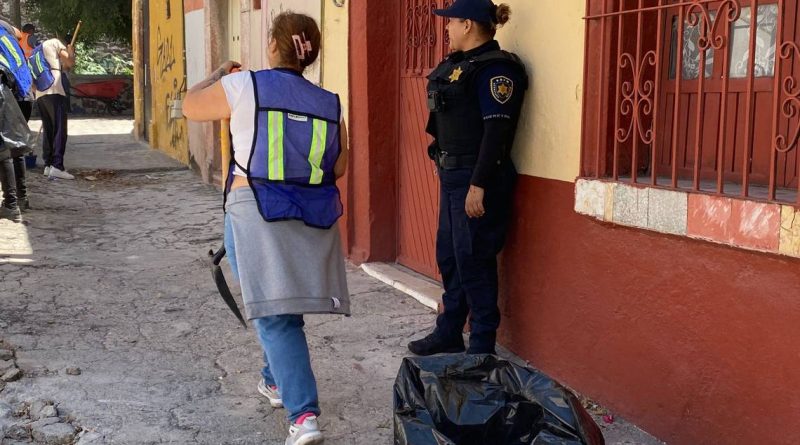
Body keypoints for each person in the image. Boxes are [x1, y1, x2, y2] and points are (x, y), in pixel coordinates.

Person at [183, 12, 349, 445]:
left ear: (274, 46)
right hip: (310, 214)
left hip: (254, 209)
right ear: (309, 53)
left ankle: (304, 415)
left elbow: (190, 106)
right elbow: (339, 165)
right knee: (277, 301)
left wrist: (218, 73)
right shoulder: (330, 102)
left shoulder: (243, 85)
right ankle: (274, 380)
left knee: (275, 313)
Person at [407, 0, 528, 356]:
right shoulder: (457, 66)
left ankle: (481, 347)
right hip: (453, 174)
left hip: (478, 177)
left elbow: (496, 133)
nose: (446, 29)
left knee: (473, 258)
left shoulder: (495, 71)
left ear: (469, 25)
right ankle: (449, 330)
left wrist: (479, 184)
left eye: (451, 23)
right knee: (450, 255)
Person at [35, 33, 75, 180]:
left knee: (49, 129)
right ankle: (57, 166)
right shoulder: (56, 43)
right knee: (59, 130)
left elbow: (62, 66)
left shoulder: (38, 50)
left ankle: (48, 165)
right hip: (55, 90)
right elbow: (69, 63)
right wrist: (70, 51)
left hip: (40, 93)